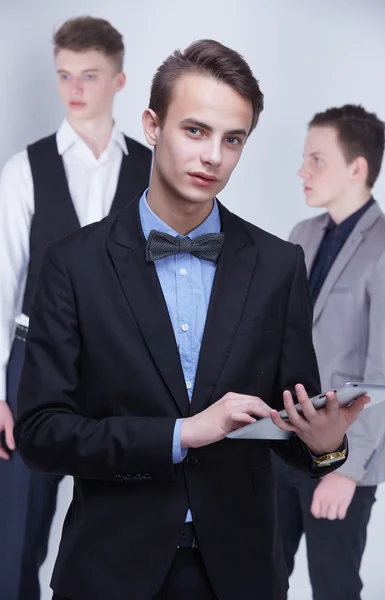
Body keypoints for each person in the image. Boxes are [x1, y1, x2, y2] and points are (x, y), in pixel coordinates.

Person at [15, 42, 368, 600]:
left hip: (243, 573)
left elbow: (289, 429)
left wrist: (325, 444)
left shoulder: (278, 266)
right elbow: (40, 435)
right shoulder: (72, 264)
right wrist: (181, 434)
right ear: (152, 125)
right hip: (109, 570)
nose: (214, 157)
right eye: (196, 131)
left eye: (234, 140)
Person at [0, 16, 152, 600]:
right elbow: (6, 279)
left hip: (122, 371)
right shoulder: (23, 171)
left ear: (118, 80)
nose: (75, 88)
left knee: (118, 533)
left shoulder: (150, 171)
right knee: (16, 536)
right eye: (65, 74)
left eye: (90, 74)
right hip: (33, 364)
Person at [272, 104, 385, 600]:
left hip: (343, 455)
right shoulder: (302, 236)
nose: (302, 171)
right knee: (259, 578)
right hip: (283, 444)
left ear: (357, 168)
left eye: (316, 160)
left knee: (334, 587)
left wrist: (345, 471)